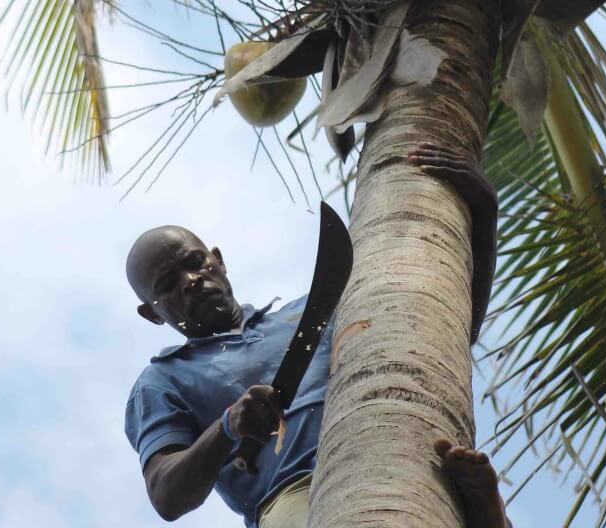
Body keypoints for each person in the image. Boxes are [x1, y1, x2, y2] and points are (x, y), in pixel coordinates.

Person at [124, 143, 512, 527]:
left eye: (195, 263)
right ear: (150, 313)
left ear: (218, 261)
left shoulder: (314, 309)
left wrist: (484, 211)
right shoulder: (162, 381)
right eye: (167, 283)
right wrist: (227, 427)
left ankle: (478, 508)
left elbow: (441, 330)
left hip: (401, 456)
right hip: (294, 492)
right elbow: (166, 494)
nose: (191, 281)